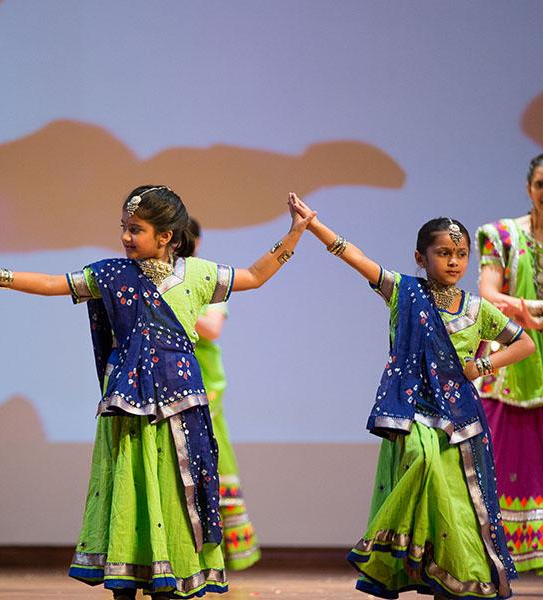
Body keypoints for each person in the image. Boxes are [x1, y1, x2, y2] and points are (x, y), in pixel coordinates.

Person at [0, 185, 314, 599]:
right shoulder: (112, 275)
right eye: (123, 228)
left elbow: (255, 276)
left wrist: (294, 234)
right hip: (129, 405)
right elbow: (50, 283)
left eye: (136, 229)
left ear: (165, 236)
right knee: (131, 486)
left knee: (175, 490)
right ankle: (127, 576)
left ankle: (173, 575)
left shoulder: (199, 275)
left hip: (182, 405)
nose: (125, 237)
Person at [290, 195, 535, 600]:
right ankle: (393, 550)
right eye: (443, 253)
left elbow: (524, 343)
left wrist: (484, 366)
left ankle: (451, 579)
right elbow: (355, 257)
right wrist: (315, 227)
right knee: (423, 464)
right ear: (420, 257)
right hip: (414, 413)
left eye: (461, 254)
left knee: (456, 506)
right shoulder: (404, 292)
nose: (454, 262)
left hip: (461, 420)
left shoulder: (478, 309)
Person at [477, 153, 543, 573]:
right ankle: (494, 558)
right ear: (529, 188)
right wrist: (528, 312)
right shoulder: (501, 235)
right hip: (514, 363)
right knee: (500, 465)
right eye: (541, 184)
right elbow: (487, 294)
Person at [187, 218, 260, 571]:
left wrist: (171, 304)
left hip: (203, 385)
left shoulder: (206, 278)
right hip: (163, 381)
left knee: (210, 459)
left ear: (198, 243)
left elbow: (212, 328)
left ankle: (219, 552)